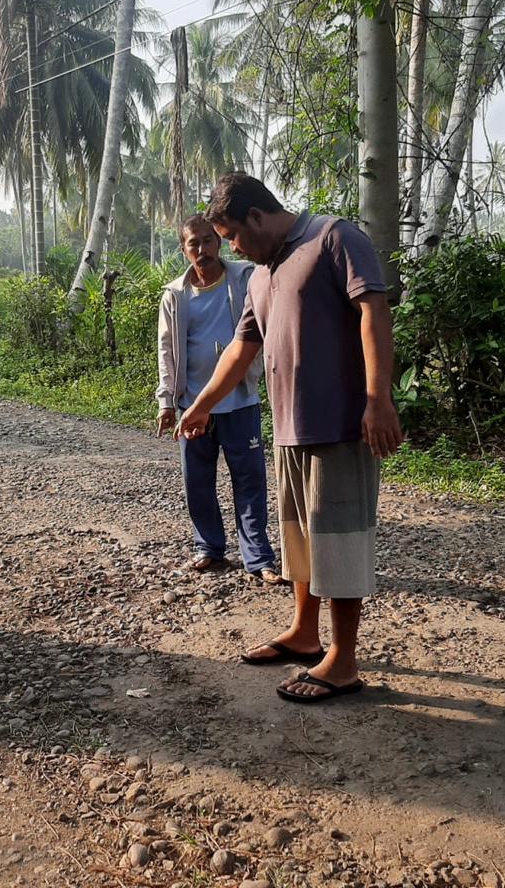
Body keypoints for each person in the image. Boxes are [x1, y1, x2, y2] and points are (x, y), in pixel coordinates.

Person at [178, 173, 404, 704]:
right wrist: (201, 405)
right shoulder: (260, 275)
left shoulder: (333, 237)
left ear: (257, 217)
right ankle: (305, 633)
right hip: (287, 430)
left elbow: (373, 311)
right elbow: (241, 348)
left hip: (341, 427)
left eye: (232, 235)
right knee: (299, 537)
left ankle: (344, 661)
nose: (230, 247)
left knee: (340, 540)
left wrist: (378, 400)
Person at [156, 215, 279, 583]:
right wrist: (166, 401)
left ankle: (259, 558)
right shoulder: (175, 296)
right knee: (198, 481)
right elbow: (166, 351)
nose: (202, 249)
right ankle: (209, 548)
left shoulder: (244, 278)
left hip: (239, 401)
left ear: (219, 242)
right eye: (194, 243)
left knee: (250, 480)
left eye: (208, 241)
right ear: (183, 249)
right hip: (193, 407)